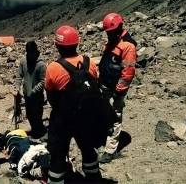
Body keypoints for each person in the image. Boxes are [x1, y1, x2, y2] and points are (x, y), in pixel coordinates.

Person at [45, 25, 103, 183]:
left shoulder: (53, 68)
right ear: (77, 44)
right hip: (86, 116)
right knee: (88, 149)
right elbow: (94, 86)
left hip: (62, 119)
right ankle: (94, 178)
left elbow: (50, 95)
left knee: (58, 154)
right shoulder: (89, 63)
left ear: (57, 45)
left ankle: (56, 180)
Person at [99, 13, 137, 163]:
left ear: (119, 28)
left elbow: (128, 72)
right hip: (105, 85)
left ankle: (110, 150)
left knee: (115, 116)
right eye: (108, 32)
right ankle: (103, 137)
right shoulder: (113, 41)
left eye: (111, 31)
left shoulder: (127, 45)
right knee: (104, 113)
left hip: (116, 89)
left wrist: (119, 91)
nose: (109, 34)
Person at [15, 41, 47, 139]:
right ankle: (36, 131)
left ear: (36, 51)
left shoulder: (41, 64)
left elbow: (43, 81)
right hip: (26, 94)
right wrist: (16, 88)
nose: (30, 55)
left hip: (36, 96)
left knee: (37, 115)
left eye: (32, 53)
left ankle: (40, 133)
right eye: (28, 53)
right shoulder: (23, 61)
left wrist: (34, 91)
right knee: (29, 114)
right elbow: (19, 76)